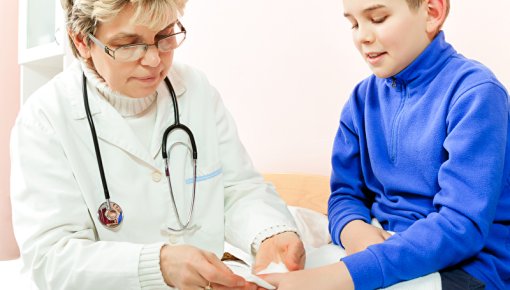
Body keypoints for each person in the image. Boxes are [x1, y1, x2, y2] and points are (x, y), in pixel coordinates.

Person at [10, 0, 305, 289]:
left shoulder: (196, 89)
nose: (153, 60)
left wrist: (269, 232)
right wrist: (158, 264)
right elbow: (50, 257)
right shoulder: (45, 118)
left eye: (164, 36)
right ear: (82, 41)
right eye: (128, 44)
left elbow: (239, 189)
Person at [262, 0, 510, 289]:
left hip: (465, 266)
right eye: (353, 24)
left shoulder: (476, 94)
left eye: (378, 18)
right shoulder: (361, 99)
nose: (362, 36)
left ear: (432, 13)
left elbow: (460, 227)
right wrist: (354, 230)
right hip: (381, 245)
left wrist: (346, 275)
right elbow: (344, 194)